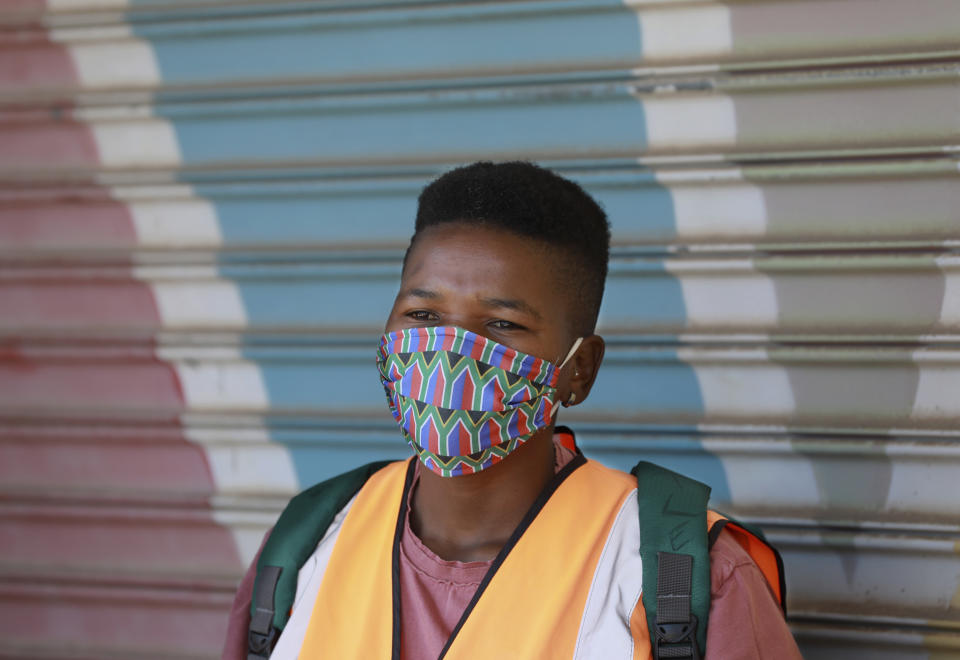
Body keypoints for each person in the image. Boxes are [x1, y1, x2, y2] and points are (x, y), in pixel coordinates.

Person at [222, 161, 803, 659]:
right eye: (423, 316)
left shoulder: (676, 575)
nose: (450, 353)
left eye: (502, 325)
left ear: (580, 371)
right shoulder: (306, 545)